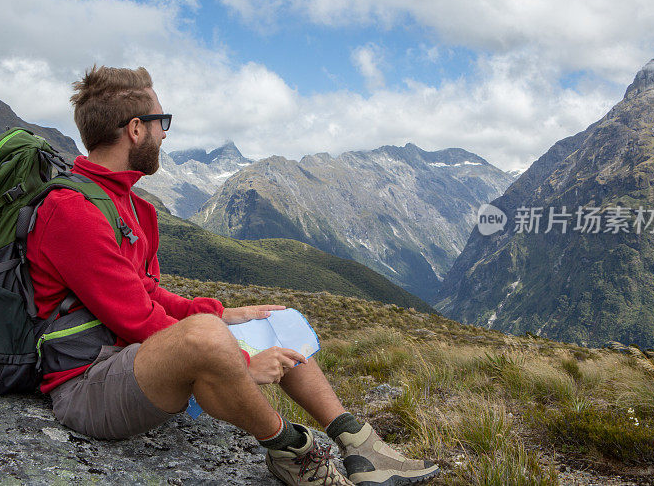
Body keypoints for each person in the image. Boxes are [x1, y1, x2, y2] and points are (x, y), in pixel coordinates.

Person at [25, 65, 440, 486]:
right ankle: (293, 452)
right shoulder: (72, 211)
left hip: (135, 365)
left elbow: (146, 291)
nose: (165, 134)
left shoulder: (128, 203)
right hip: (87, 385)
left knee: (268, 319)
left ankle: (359, 444)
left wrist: (224, 313)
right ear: (136, 129)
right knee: (203, 336)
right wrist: (241, 362)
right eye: (161, 122)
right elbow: (135, 318)